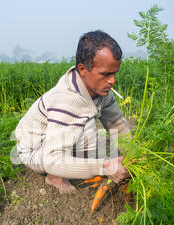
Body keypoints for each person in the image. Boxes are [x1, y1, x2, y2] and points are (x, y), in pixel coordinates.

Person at [14, 30, 130, 194]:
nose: (112, 81)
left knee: (105, 141)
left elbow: (117, 123)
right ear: (83, 69)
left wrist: (132, 155)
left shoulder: (100, 90)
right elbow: (51, 160)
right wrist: (105, 167)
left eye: (114, 73)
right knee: (89, 135)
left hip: (54, 142)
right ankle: (55, 176)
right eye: (105, 74)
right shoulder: (68, 100)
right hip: (36, 152)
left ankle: (75, 161)